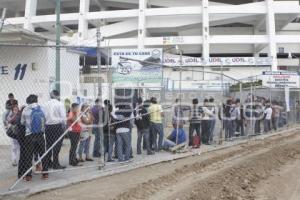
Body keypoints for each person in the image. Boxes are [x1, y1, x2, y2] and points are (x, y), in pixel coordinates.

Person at [21, 94, 48, 181]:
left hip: (29, 135)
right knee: (43, 154)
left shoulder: (26, 109)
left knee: (29, 155)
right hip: (40, 135)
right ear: (36, 100)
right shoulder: (42, 108)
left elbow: (22, 122)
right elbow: (45, 119)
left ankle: (28, 176)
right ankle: (45, 174)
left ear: (28, 101)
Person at [43, 90, 67, 170]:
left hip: (48, 126)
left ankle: (48, 162)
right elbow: (63, 117)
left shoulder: (46, 104)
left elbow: (44, 116)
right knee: (57, 145)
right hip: (57, 126)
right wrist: (64, 125)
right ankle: (56, 164)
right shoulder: (60, 104)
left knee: (49, 145)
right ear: (58, 96)